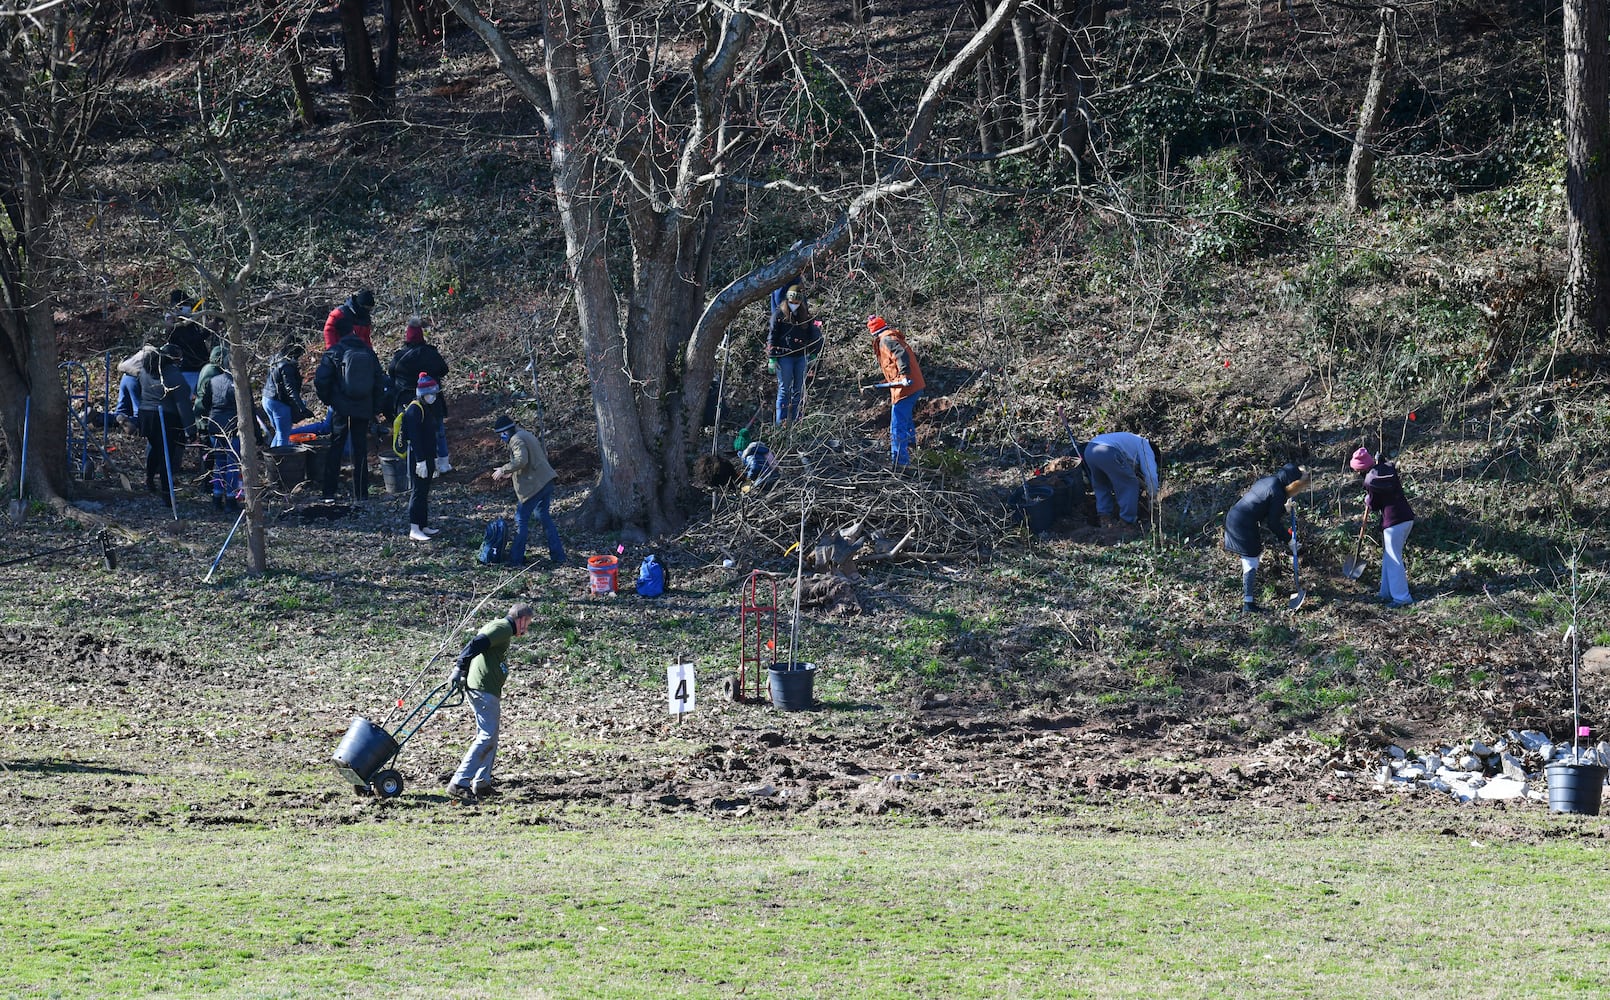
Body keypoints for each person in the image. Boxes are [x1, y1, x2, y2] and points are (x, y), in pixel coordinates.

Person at [445, 603, 536, 802]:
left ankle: (482, 783)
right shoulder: (502, 628)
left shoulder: (500, 628)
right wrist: (459, 668)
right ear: (521, 619)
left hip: (485, 689)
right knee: (487, 735)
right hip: (483, 689)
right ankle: (459, 782)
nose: (527, 628)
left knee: (490, 735)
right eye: (527, 623)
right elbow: (475, 644)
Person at [1222, 463, 1309, 612]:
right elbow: (1273, 524)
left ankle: (1248, 601)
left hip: (1235, 517)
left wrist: (1283, 509)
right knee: (1251, 560)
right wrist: (1290, 541)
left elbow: (1264, 506)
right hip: (1243, 524)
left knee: (1252, 558)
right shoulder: (1278, 492)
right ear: (1292, 484)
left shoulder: (1269, 481)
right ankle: (1248, 605)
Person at [313, 330, 384, 501]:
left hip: (341, 408)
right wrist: (375, 408)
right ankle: (361, 492)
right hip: (363, 407)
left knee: (336, 446)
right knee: (360, 449)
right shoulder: (368, 352)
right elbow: (379, 382)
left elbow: (321, 380)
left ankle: (329, 491)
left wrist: (330, 400)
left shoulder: (334, 352)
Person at [491, 413, 565, 567]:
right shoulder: (524, 434)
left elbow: (521, 460)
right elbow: (528, 459)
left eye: (501, 435)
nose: (501, 438)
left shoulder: (516, 440)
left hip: (534, 486)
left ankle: (516, 559)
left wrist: (504, 470)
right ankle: (558, 555)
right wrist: (512, 471)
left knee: (521, 520)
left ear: (505, 432)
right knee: (544, 517)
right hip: (546, 481)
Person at [1351, 447, 1416, 607]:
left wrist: (1368, 499)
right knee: (1389, 557)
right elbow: (1388, 468)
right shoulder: (1386, 469)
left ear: (1360, 470)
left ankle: (1402, 598)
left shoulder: (1370, 481)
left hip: (1393, 522)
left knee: (1394, 559)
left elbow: (1374, 505)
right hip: (1406, 517)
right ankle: (1385, 592)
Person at [388, 316, 451, 471]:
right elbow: (444, 370)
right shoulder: (430, 353)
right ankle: (442, 463)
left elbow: (391, 373)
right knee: (438, 431)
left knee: (413, 434)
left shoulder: (399, 357)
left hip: (406, 402)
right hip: (431, 399)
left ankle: (419, 465)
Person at [137, 343, 193, 506]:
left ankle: (149, 479)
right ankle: (167, 494)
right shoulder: (173, 374)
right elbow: (183, 403)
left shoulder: (146, 369)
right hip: (164, 417)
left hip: (145, 415)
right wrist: (190, 429)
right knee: (166, 454)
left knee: (155, 447)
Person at [867, 315, 925, 467]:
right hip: (912, 385)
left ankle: (900, 461)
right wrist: (886, 381)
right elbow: (892, 366)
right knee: (905, 418)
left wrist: (904, 375)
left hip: (906, 387)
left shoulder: (887, 340)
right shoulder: (891, 337)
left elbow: (901, 356)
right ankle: (912, 444)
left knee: (897, 424)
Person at [194, 355, 244, 510]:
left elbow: (205, 403)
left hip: (214, 425)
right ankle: (230, 499)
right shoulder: (239, 384)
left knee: (219, 463)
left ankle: (216, 497)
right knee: (232, 465)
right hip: (232, 427)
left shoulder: (213, 381)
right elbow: (248, 409)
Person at [767, 285, 823, 423]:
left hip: (800, 356)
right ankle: (781, 422)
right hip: (784, 356)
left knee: (798, 390)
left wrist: (814, 353)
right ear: (787, 300)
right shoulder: (779, 315)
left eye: (797, 303)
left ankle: (796, 419)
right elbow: (772, 336)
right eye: (792, 302)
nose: (794, 305)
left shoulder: (805, 316)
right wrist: (772, 357)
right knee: (784, 389)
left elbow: (814, 335)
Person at [398, 374, 443, 541]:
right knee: (417, 492)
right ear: (422, 393)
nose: (433, 396)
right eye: (430, 393)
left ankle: (423, 525)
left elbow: (431, 436)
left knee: (424, 492)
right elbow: (415, 438)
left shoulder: (427, 407)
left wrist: (435, 458)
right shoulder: (414, 409)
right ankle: (414, 527)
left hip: (428, 456)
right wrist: (420, 461)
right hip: (418, 458)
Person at [1084, 432, 1161, 528]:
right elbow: (1151, 475)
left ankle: (1104, 517)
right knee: (1130, 484)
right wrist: (1152, 497)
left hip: (1090, 450)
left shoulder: (1132, 441)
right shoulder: (1145, 447)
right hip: (1107, 451)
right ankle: (1126, 521)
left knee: (1101, 485)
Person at [262, 341, 314, 447]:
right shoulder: (287, 365)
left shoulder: (275, 358)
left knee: (279, 432)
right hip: (278, 402)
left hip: (266, 398)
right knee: (283, 435)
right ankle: (282, 461)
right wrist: (302, 409)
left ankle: (273, 459)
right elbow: (291, 390)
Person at [165, 305, 211, 394]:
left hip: (198, 367)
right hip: (188, 368)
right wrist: (207, 331)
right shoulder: (176, 329)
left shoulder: (190, 325)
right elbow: (192, 341)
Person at [115, 342, 157, 430]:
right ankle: (132, 423)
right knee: (139, 413)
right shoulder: (156, 355)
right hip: (135, 380)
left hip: (125, 377)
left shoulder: (141, 353)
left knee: (121, 411)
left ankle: (99, 418)